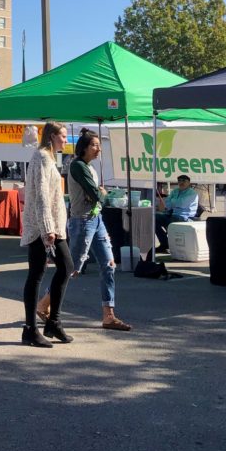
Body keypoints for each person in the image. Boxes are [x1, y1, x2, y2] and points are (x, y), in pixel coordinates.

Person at [67, 129, 132, 332]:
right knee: (72, 268)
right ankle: (45, 303)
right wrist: (100, 194)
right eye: (94, 145)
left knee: (109, 265)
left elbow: (95, 195)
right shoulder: (77, 165)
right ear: (84, 147)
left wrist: (98, 194)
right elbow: (95, 194)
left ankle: (108, 315)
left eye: (99, 145)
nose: (98, 149)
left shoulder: (90, 167)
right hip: (82, 221)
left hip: (96, 219)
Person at [21, 122, 72, 348]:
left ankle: (53, 322)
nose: (66, 140)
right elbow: (41, 194)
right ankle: (31, 329)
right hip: (42, 227)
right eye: (63, 136)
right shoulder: (42, 157)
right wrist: (47, 227)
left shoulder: (49, 157)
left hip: (52, 226)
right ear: (51, 136)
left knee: (63, 268)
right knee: (39, 273)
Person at [154, 174, 199, 253]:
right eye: (179, 181)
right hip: (171, 214)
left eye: (184, 181)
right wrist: (174, 202)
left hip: (185, 217)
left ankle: (172, 245)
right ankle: (164, 243)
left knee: (173, 220)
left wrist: (172, 201)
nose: (181, 182)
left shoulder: (192, 193)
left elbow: (182, 204)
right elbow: (167, 204)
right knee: (154, 217)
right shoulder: (175, 191)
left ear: (189, 183)